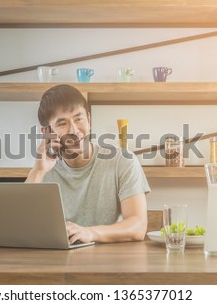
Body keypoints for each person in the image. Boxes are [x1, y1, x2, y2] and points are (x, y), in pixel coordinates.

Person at [26, 84, 150, 244]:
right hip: (57, 262)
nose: (74, 130)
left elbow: (138, 226)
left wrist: (90, 233)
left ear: (89, 120)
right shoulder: (43, 168)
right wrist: (38, 171)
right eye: (62, 123)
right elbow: (21, 226)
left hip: (108, 261)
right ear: (46, 133)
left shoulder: (122, 161)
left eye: (79, 119)